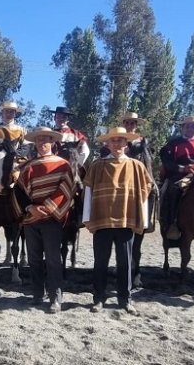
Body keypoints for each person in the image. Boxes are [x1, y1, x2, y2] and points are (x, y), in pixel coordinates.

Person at [83, 127, 152, 315]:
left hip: (126, 221)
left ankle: (125, 299)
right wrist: (87, 218)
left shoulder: (137, 167)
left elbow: (145, 192)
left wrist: (143, 219)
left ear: (126, 144)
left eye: (121, 141)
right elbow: (88, 191)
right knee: (100, 262)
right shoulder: (97, 166)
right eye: (113, 141)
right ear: (108, 143)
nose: (117, 144)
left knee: (125, 263)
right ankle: (98, 299)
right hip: (102, 221)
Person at [12, 127, 75, 313]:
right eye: (39, 140)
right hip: (31, 219)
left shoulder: (63, 165)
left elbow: (67, 189)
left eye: (46, 139)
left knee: (53, 259)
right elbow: (18, 191)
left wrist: (46, 209)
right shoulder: (29, 166)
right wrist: (30, 208)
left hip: (52, 219)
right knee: (34, 259)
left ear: (53, 142)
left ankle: (56, 297)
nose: (42, 143)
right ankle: (37, 294)